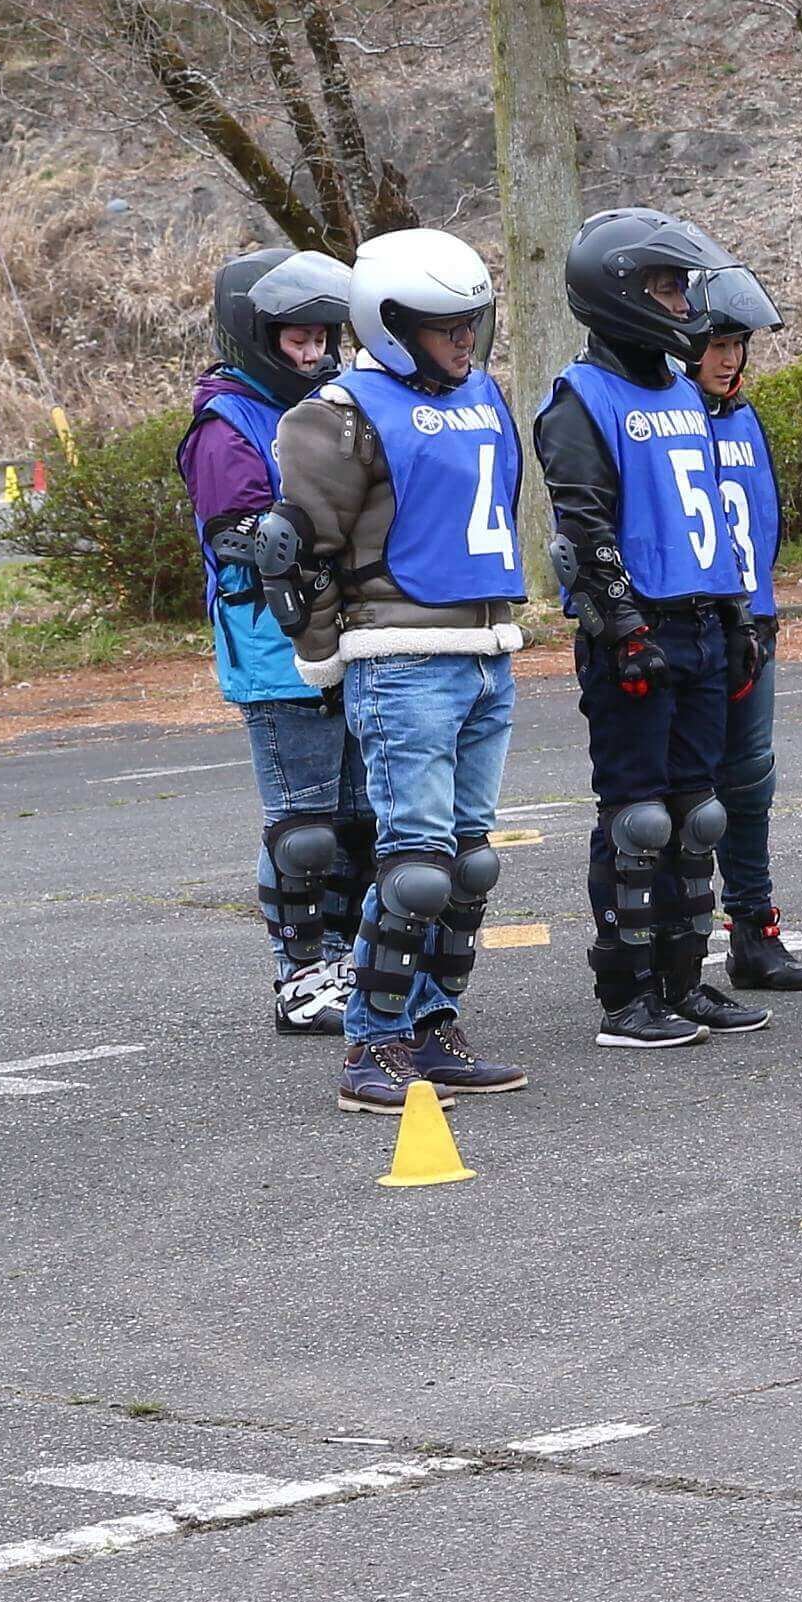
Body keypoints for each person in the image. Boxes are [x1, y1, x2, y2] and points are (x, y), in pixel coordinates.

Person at [277, 228, 537, 1112]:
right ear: (388, 323)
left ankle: (433, 1025)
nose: (463, 340)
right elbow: (301, 554)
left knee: (468, 865)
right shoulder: (335, 414)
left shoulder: (484, 396)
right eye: (441, 326)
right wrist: (322, 658)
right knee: (415, 866)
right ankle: (372, 1047)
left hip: (486, 650)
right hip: (402, 658)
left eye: (470, 322)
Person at [535, 207, 766, 1050]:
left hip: (703, 622)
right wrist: (624, 627)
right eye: (668, 287)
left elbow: (705, 513)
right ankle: (626, 995)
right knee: (639, 818)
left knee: (697, 813)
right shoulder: (580, 399)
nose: (681, 304)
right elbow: (585, 528)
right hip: (635, 632)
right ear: (623, 293)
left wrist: (735, 613)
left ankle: (683, 979)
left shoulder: (683, 393)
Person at [184, 248, 374, 1034]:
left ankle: (351, 957)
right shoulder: (226, 423)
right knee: (304, 828)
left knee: (361, 820)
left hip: (355, 637)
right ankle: (300, 974)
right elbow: (248, 538)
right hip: (276, 649)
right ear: (255, 333)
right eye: (297, 338)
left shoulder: (333, 404)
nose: (315, 352)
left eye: (325, 336)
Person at [694, 261, 802, 995]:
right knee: (684, 792)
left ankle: (753, 932)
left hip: (753, 621)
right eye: (716, 343)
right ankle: (670, 943)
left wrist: (759, 613)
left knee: (750, 783)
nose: (729, 357)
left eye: (738, 343)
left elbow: (764, 523)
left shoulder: (743, 416)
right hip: (694, 630)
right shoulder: (664, 417)